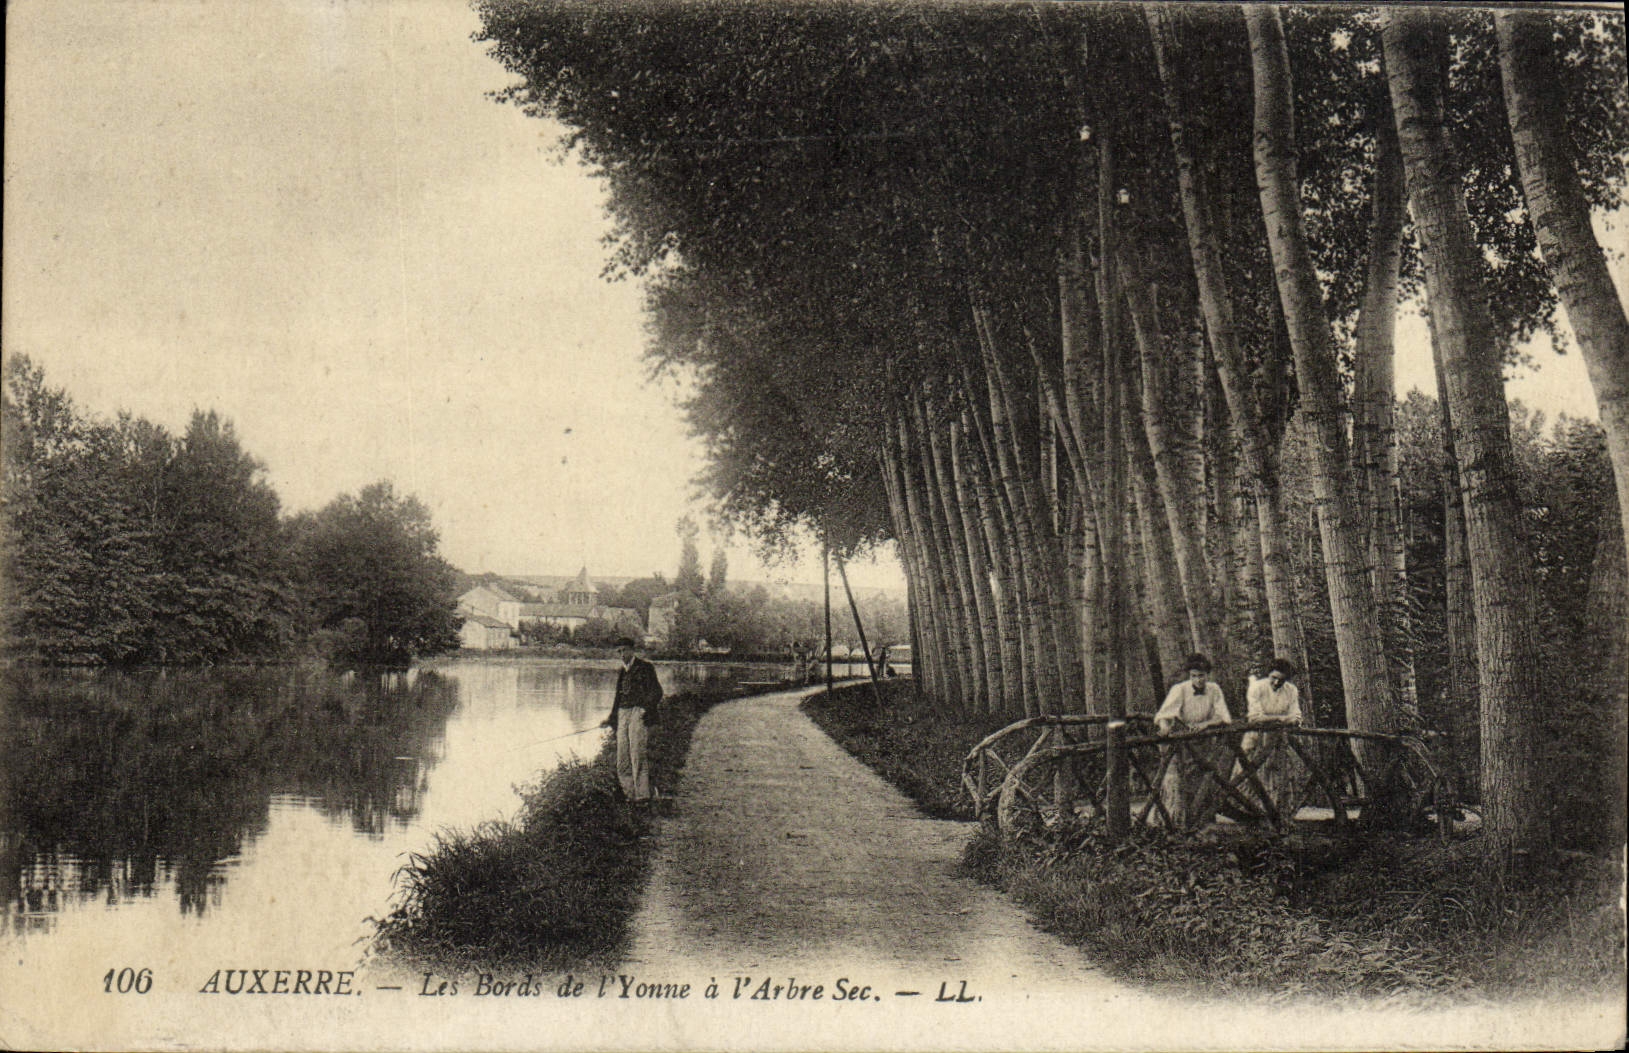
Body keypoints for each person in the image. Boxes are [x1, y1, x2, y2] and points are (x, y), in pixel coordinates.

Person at [1153, 654, 1231, 830]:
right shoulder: (1179, 689)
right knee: (1180, 778)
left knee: (1204, 776)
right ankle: (1177, 821)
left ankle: (1204, 819)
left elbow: (1223, 716)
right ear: (1189, 676)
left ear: (1207, 675)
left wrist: (1206, 724)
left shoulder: (1214, 689)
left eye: (1201, 675)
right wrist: (1165, 728)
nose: (1198, 680)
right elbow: (1163, 715)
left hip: (1204, 740)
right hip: (1182, 740)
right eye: (1194, 676)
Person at [601, 637, 665, 804]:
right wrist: (610, 719)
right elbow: (618, 698)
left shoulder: (646, 667)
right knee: (622, 756)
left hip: (638, 713)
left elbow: (657, 692)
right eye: (619, 651)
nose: (622, 654)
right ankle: (629, 794)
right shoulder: (622, 671)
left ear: (632, 650)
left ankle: (642, 796)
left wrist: (645, 708)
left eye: (624, 650)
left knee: (637, 753)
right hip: (623, 714)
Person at [1241, 657, 1304, 823]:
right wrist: (1282, 719)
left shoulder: (1291, 690)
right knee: (1252, 771)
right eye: (1273, 678)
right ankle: (1250, 811)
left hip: (1277, 739)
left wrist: (1277, 720)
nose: (1276, 682)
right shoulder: (1257, 687)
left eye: (1281, 680)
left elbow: (1296, 716)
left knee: (1277, 771)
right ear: (1268, 674)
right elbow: (1256, 717)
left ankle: (1275, 812)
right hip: (1256, 737)